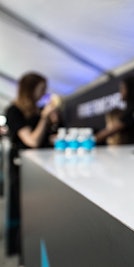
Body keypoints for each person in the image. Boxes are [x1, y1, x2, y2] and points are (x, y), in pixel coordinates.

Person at [5, 71, 58, 257]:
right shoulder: (14, 111)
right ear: (30, 89)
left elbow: (44, 140)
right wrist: (44, 118)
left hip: (40, 168)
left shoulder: (37, 110)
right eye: (41, 88)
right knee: (25, 212)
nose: (44, 93)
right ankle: (23, 252)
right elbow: (32, 141)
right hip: (23, 170)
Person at [95, 74, 134, 145]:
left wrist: (91, 140)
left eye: (123, 88)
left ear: (131, 90)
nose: (120, 92)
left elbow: (111, 131)